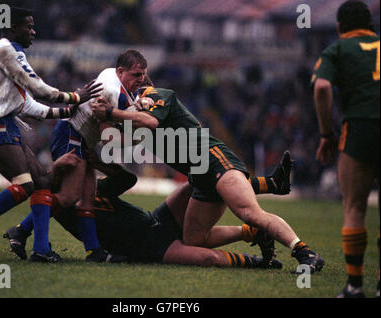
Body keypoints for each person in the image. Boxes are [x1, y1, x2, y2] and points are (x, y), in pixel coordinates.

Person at [91, 75, 325, 273]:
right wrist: (99, 116)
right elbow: (115, 140)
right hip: (201, 176)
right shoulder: (135, 116)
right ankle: (256, 227)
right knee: (194, 239)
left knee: (249, 212)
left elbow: (150, 121)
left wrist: (111, 112)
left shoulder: (158, 95)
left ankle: (305, 252)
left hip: (214, 160)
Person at [0, 7, 102, 263]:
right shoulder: (7, 49)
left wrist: (66, 110)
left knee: (42, 182)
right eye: (28, 27)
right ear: (11, 29)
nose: (33, 31)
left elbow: (29, 104)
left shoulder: (9, 57)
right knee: (26, 183)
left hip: (4, 125)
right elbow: (38, 87)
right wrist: (75, 97)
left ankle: (40, 249)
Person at [5, 148, 292, 268]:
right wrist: (20, 231)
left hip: (157, 218)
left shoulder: (94, 190)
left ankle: (269, 185)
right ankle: (257, 256)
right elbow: (41, 208)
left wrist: (99, 162)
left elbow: (128, 178)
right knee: (210, 260)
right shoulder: (60, 205)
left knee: (202, 179)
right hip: (150, 248)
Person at [38, 49, 147, 261]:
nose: (141, 80)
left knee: (88, 198)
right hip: (71, 134)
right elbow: (109, 139)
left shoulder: (113, 75)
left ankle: (94, 251)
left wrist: (140, 100)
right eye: (136, 75)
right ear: (121, 71)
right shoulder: (111, 92)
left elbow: (132, 94)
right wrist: (140, 137)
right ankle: (22, 230)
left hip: (81, 138)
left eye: (143, 74)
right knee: (70, 196)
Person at [312, 0, 379, 298]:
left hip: (360, 128)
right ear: (371, 25)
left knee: (354, 208)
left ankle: (354, 286)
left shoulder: (337, 49)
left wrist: (326, 134)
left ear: (340, 27)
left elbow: (322, 87)